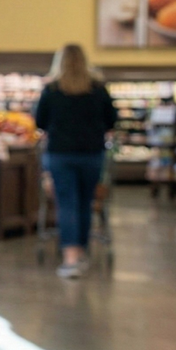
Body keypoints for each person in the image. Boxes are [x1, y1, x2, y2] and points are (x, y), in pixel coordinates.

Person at [33, 44, 116, 279]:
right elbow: (111, 120)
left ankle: (70, 258)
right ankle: (81, 252)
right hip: (92, 154)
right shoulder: (97, 89)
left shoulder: (52, 90)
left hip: (60, 154)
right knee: (85, 202)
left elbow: (40, 121)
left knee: (67, 203)